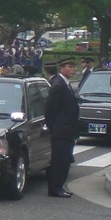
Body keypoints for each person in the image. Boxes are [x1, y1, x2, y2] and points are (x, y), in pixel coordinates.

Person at [45, 58, 80, 197]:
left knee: (64, 159)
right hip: (61, 130)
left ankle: (59, 186)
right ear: (61, 68)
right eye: (69, 67)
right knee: (59, 160)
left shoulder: (65, 83)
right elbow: (50, 109)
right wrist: (53, 127)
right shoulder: (59, 85)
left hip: (67, 129)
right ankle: (55, 187)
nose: (73, 69)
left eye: (73, 67)